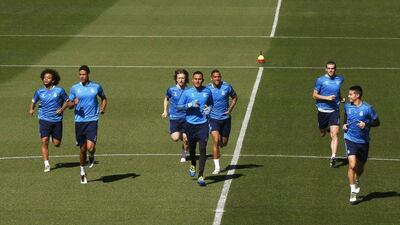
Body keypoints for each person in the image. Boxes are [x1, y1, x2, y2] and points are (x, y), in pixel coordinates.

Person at [68, 65, 107, 184]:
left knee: (90, 147)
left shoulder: (96, 87)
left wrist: (103, 108)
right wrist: (73, 103)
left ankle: (92, 155)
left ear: (88, 74)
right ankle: (82, 172)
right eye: (80, 74)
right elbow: (69, 105)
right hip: (79, 121)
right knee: (83, 148)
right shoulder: (74, 88)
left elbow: (104, 98)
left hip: (92, 120)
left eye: (84, 74)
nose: (82, 76)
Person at [343, 85, 380, 204]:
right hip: (349, 138)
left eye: (350, 94)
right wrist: (344, 125)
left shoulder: (368, 108)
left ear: (357, 95)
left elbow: (377, 122)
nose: (348, 96)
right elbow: (346, 117)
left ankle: (357, 179)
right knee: (352, 165)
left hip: (363, 142)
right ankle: (353, 191)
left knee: (359, 169)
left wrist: (366, 125)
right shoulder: (347, 106)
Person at [29, 68, 69, 172]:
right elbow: (33, 101)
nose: (46, 79)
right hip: (44, 119)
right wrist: (31, 109)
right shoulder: (39, 92)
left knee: (57, 144)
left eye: (49, 78)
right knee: (44, 141)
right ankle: (46, 163)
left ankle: (53, 138)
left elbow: (67, 101)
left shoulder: (59, 90)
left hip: (57, 120)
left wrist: (62, 109)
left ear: (53, 80)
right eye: (44, 77)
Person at [177, 71, 213, 186]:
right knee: (192, 149)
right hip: (190, 125)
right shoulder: (187, 92)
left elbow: (211, 103)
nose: (198, 81)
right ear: (192, 80)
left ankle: (201, 176)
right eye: (196, 79)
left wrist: (209, 109)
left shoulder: (207, 91)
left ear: (203, 80)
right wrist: (189, 105)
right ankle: (193, 163)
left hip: (203, 125)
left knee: (202, 150)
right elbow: (178, 106)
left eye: (200, 79)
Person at [312, 61, 344, 167]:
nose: (331, 70)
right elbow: (314, 95)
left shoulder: (339, 79)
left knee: (335, 134)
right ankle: (324, 128)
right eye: (329, 68)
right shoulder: (320, 80)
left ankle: (333, 156)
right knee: (322, 133)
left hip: (334, 110)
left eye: (333, 68)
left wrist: (340, 98)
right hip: (322, 111)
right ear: (326, 69)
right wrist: (327, 98)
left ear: (335, 69)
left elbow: (337, 91)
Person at [206, 69, 238, 174]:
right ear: (211, 78)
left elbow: (235, 97)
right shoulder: (207, 89)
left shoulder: (227, 87)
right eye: (215, 77)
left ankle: (221, 142)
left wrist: (230, 110)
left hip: (225, 119)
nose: (217, 79)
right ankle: (217, 167)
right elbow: (202, 100)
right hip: (213, 119)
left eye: (218, 77)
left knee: (224, 143)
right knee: (215, 141)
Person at [162, 69, 190, 162]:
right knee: (175, 138)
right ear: (176, 79)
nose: (181, 80)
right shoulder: (171, 90)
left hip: (186, 118)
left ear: (186, 79)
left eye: (183, 78)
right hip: (174, 118)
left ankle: (184, 153)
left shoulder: (190, 90)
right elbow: (166, 99)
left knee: (186, 138)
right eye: (179, 78)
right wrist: (165, 111)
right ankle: (185, 137)